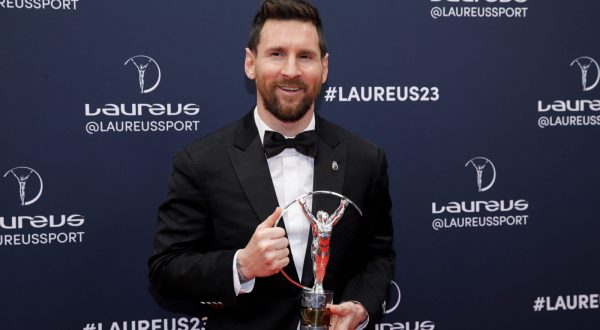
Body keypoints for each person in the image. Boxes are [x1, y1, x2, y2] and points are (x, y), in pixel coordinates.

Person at [148, 1, 394, 329]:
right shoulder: (200, 162)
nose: (291, 70)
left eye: (305, 56)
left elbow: (377, 256)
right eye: (276, 53)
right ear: (251, 63)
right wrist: (241, 265)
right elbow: (166, 270)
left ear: (324, 68)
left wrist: (360, 305)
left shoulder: (366, 158)